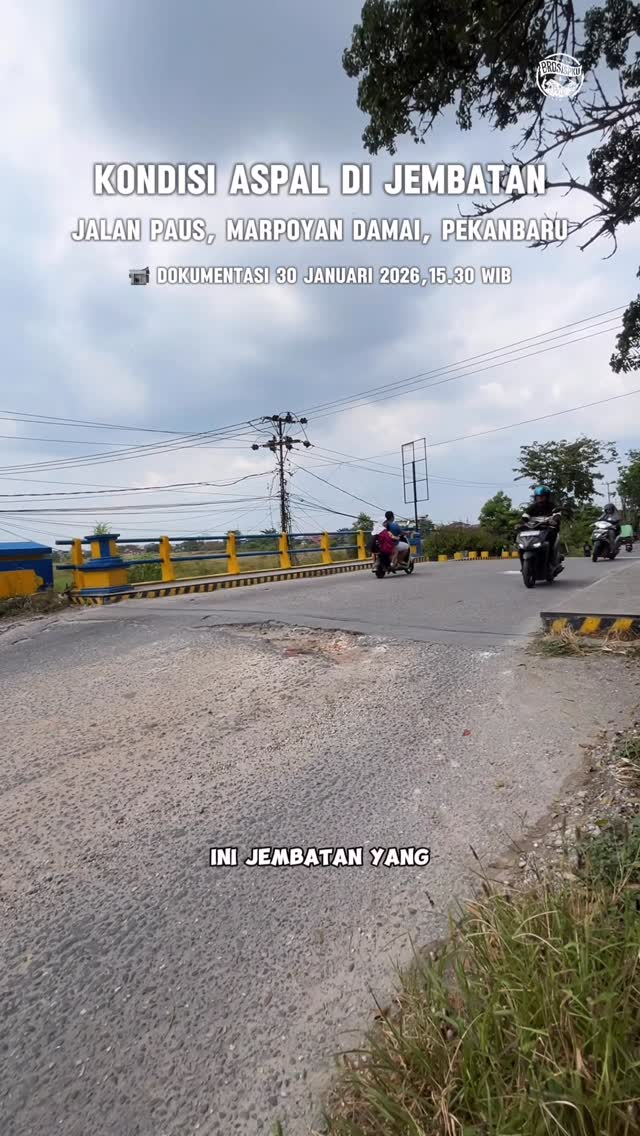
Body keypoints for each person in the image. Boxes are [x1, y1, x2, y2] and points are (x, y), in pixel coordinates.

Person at [521, 485, 563, 566]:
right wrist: (524, 519)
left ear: (547, 497)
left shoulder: (552, 506)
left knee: (552, 535)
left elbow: (557, 514)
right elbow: (525, 515)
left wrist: (555, 518)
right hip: (535, 529)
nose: (540, 499)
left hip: (548, 528)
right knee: (521, 533)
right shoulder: (533, 507)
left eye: (542, 497)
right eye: (538, 497)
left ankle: (551, 557)